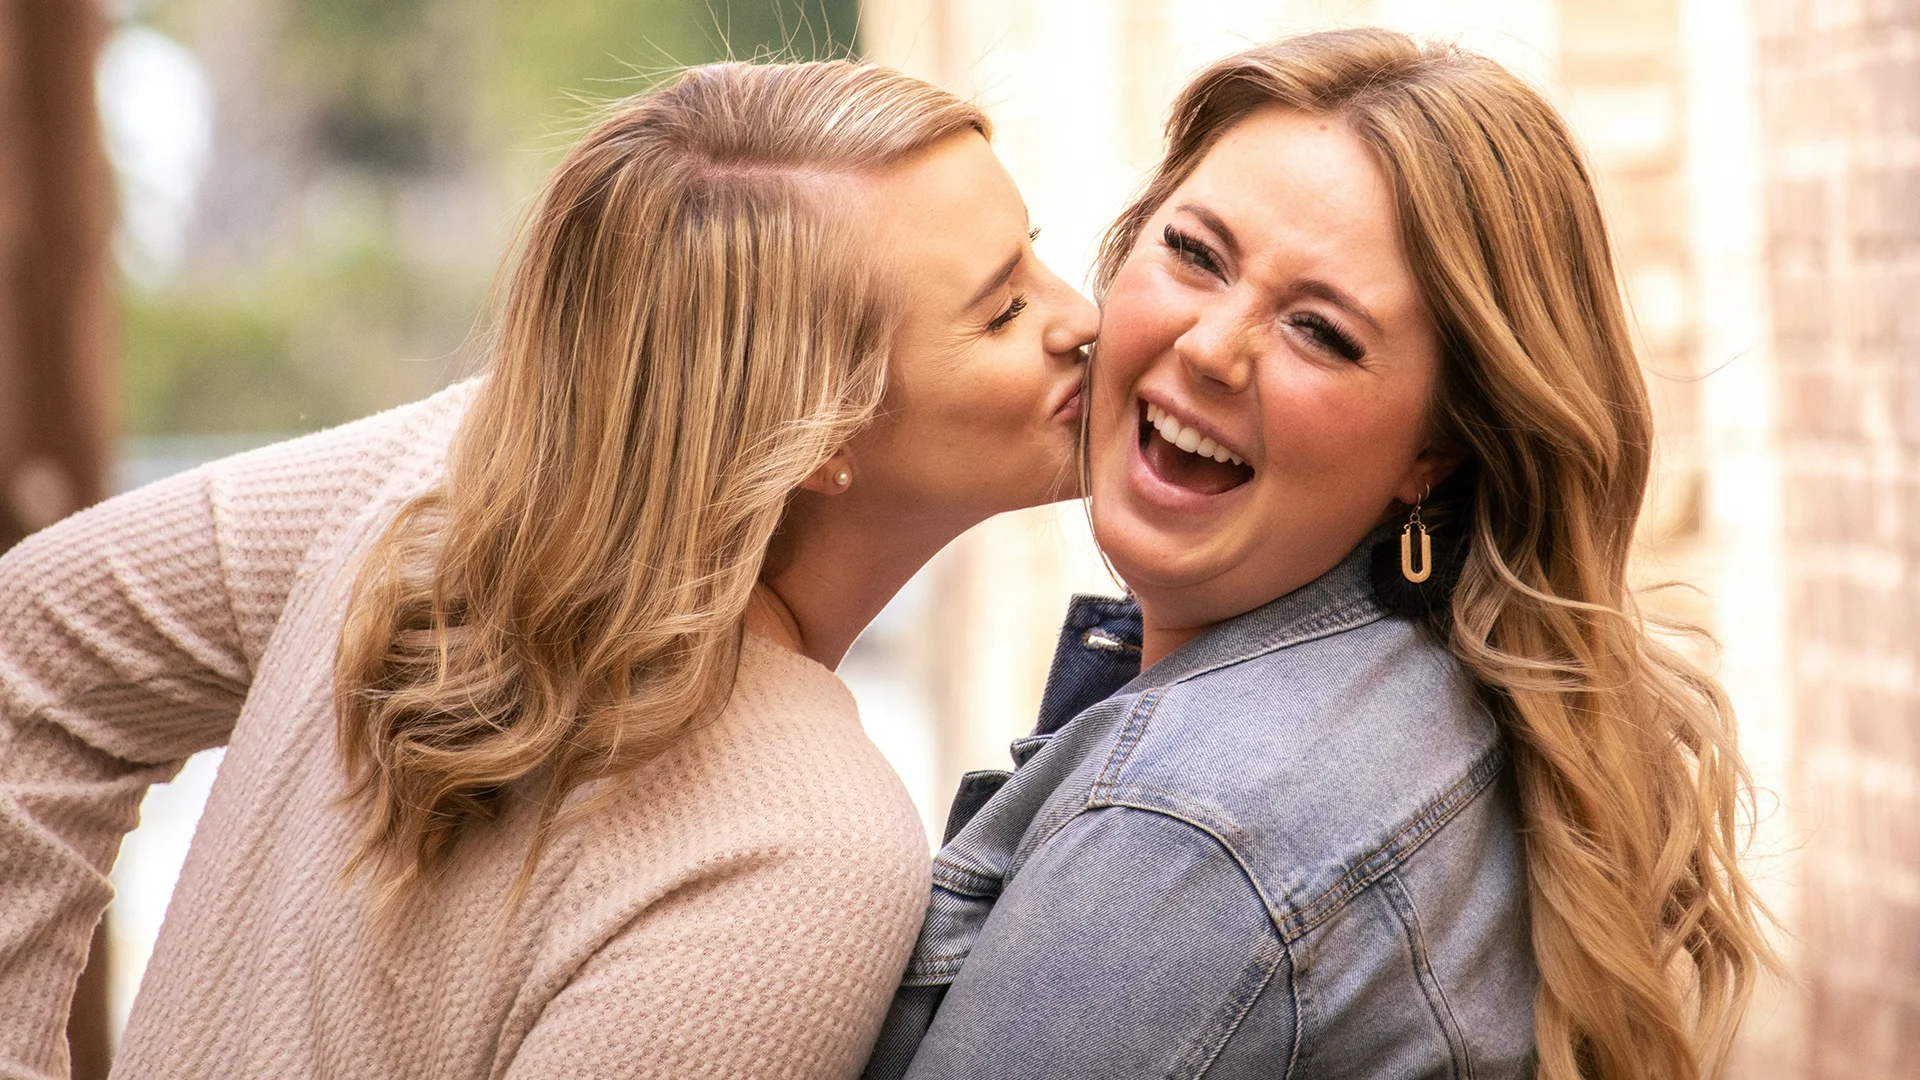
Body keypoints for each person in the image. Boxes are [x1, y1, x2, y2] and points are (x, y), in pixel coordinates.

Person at [0, 60, 1098, 1079]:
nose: (1083, 319)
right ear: (815, 434)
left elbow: (30, 648)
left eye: (1036, 255)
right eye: (1003, 309)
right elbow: (35, 656)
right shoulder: (800, 852)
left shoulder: (443, 483)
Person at [865, 28, 1774, 1080]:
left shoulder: (1193, 831)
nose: (1210, 346)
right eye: (1196, 254)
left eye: (1321, 331)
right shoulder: (1422, 700)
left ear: (1434, 451)